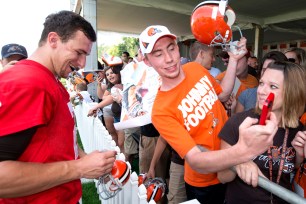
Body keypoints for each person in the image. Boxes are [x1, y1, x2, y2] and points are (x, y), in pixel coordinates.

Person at [139, 25, 278, 203]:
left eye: (171, 48)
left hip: (232, 165)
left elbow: (223, 94)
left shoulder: (194, 69)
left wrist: (234, 60)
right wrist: (244, 151)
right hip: (204, 182)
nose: (169, 59)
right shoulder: (160, 110)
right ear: (147, 61)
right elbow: (196, 160)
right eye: (158, 54)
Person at [0, 11, 116, 203]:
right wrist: (79, 168)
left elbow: (53, 142)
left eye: (85, 55)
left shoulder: (47, 79)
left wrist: (86, 159)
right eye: (78, 52)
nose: (82, 63)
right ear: (53, 39)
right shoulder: (29, 82)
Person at [218, 61, 306, 203]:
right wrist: (239, 160)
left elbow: (287, 170)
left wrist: (299, 158)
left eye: (272, 86)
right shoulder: (239, 122)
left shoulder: (299, 130)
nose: (261, 91)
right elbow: (222, 177)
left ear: (292, 92)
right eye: (261, 83)